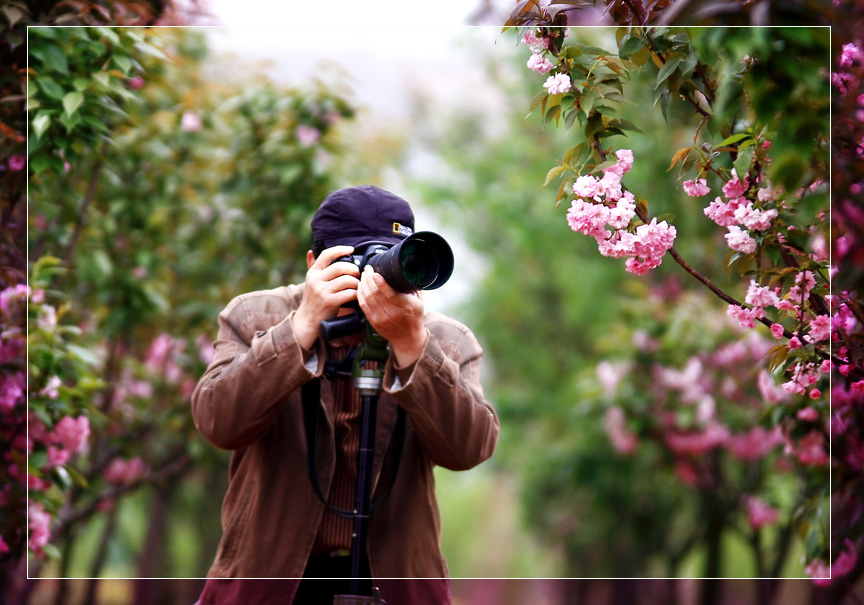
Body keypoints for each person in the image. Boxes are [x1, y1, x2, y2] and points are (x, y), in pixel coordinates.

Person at [191, 185, 499, 605]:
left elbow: (470, 449)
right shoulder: (257, 316)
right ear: (313, 264)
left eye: (390, 261)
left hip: (393, 577)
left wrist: (413, 348)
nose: (376, 280)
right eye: (358, 261)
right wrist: (299, 330)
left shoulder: (443, 340)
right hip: (274, 577)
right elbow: (218, 423)